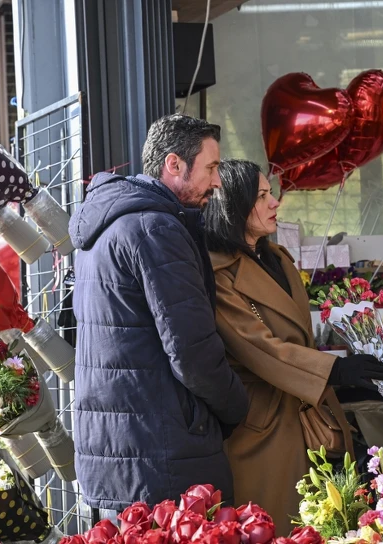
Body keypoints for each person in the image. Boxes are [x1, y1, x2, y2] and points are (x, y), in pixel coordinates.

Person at [69, 114, 249, 512]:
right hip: (163, 456)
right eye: (211, 168)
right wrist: (238, 407)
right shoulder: (155, 229)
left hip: (119, 454)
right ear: (174, 164)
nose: (217, 182)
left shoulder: (105, 229)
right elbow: (192, 352)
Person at [204, 159, 383, 533]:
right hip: (264, 426)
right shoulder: (218, 275)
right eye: (261, 196)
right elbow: (260, 347)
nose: (275, 202)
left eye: (270, 193)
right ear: (233, 206)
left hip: (309, 415)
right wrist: (334, 370)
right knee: (274, 526)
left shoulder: (277, 258)